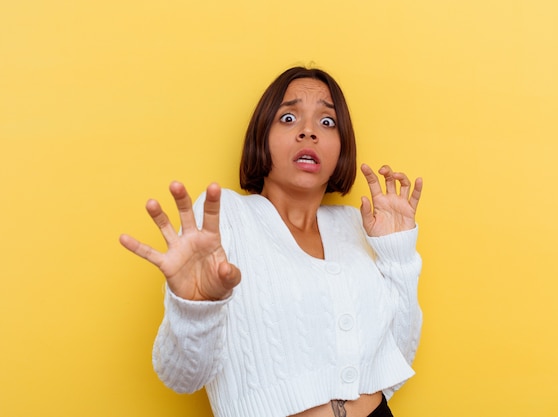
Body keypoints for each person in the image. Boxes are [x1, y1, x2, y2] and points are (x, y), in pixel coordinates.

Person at [119, 66, 424, 417]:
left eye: (327, 123)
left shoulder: (357, 224)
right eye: (289, 117)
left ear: (342, 147)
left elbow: (396, 358)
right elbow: (182, 378)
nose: (309, 131)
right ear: (261, 136)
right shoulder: (226, 216)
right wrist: (194, 309)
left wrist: (397, 255)